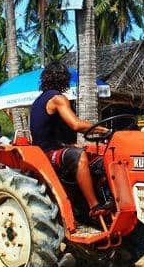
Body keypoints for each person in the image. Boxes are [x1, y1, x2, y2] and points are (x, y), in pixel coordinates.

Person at [30, 62, 110, 218]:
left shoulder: (38, 100)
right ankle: (94, 206)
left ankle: (101, 197)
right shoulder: (57, 98)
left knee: (99, 156)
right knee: (79, 156)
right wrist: (104, 130)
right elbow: (76, 124)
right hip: (47, 154)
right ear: (64, 79)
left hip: (45, 149)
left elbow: (50, 131)